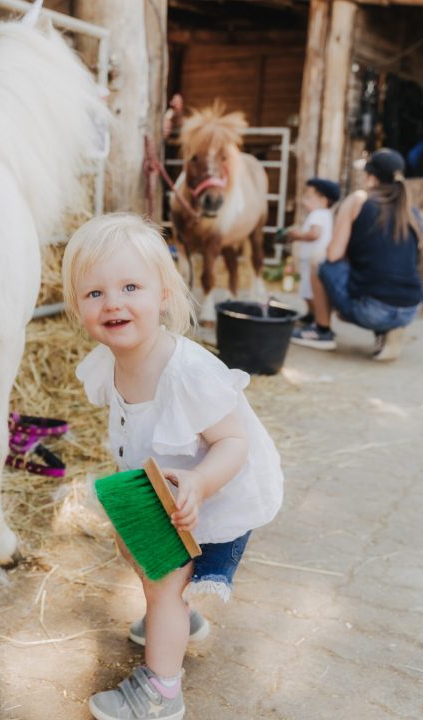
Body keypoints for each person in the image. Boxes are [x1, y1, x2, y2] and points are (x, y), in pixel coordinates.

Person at [61, 213, 284, 720]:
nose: (112, 302)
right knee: (141, 558)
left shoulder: (188, 371)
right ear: (77, 305)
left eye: (130, 286)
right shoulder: (107, 362)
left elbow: (233, 441)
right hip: (163, 489)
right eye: (94, 293)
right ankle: (178, 617)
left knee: (162, 579)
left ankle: (161, 692)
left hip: (215, 491)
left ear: (163, 294)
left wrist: (202, 483)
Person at [291, 148, 422, 360]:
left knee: (319, 262)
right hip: (409, 309)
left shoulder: (359, 200)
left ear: (371, 177)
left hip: (372, 310)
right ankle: (389, 330)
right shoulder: (411, 210)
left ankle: (322, 331)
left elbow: (333, 256)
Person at [286, 178, 340, 325]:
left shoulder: (318, 215)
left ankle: (316, 316)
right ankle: (311, 315)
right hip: (312, 260)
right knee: (306, 290)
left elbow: (314, 234)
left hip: (312, 262)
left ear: (323, 200)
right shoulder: (325, 214)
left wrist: (297, 235)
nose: (304, 201)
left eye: (309, 198)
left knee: (309, 291)